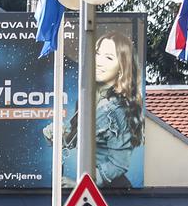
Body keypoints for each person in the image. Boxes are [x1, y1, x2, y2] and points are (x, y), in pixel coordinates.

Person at [47, 31, 143, 189]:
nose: (99, 61)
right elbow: (78, 141)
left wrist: (81, 184)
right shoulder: (87, 100)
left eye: (109, 58)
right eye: (97, 54)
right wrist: (57, 137)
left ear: (122, 68)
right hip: (94, 189)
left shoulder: (118, 110)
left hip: (113, 193)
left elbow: (118, 165)